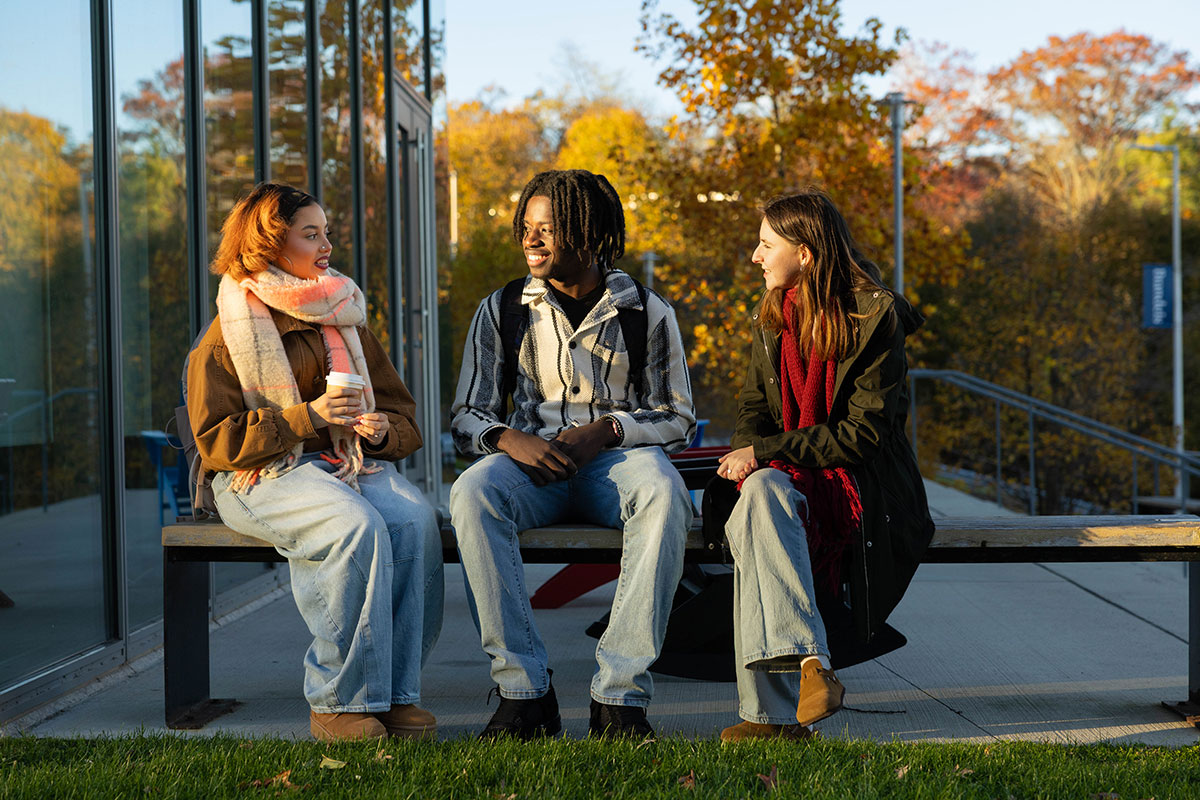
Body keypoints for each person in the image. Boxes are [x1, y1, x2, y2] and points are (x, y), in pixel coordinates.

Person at [187, 183, 443, 742]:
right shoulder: (226, 335)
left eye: (327, 232)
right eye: (311, 234)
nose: (327, 244)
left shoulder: (341, 315)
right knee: (353, 526)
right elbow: (216, 444)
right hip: (256, 476)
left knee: (413, 520)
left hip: (343, 463)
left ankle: (394, 693)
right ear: (271, 243)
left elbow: (404, 416)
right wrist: (310, 416)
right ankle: (337, 701)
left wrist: (378, 433)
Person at [450, 169, 697, 739]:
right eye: (526, 228)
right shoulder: (503, 309)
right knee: (472, 492)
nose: (530, 240)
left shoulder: (646, 311)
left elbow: (677, 416)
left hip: (617, 463)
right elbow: (468, 416)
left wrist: (605, 431)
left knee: (663, 492)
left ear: (588, 234)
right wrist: (512, 441)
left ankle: (619, 698)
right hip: (530, 466)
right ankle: (524, 693)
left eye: (548, 229)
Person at [713, 189, 935, 742]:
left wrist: (762, 454)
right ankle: (812, 666)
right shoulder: (771, 315)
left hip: (861, 486)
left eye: (766, 244)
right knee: (759, 500)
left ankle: (768, 716)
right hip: (791, 476)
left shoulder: (874, 318)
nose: (755, 256)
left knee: (761, 508)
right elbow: (753, 409)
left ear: (806, 253)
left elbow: (861, 436)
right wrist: (750, 457)